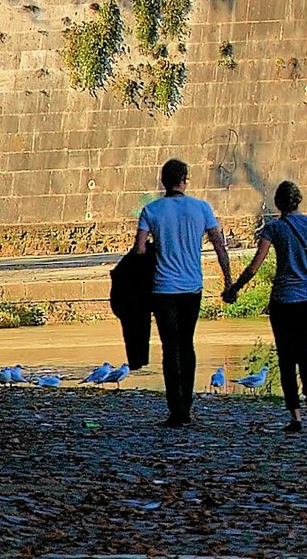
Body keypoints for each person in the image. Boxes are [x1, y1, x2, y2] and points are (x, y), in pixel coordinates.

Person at [225, 180, 307, 432]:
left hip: (283, 302)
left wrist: (235, 288)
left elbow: (255, 265)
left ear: (278, 203)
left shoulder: (274, 229)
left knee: (287, 359)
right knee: (306, 354)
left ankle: (296, 417)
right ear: (298, 200)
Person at [134, 158, 232, 428]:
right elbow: (219, 246)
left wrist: (155, 245)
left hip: (162, 288)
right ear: (185, 179)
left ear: (163, 181)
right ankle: (186, 407)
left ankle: (174, 409)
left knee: (170, 348)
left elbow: (140, 249)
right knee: (187, 345)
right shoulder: (202, 208)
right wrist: (228, 281)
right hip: (192, 288)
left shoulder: (151, 211)